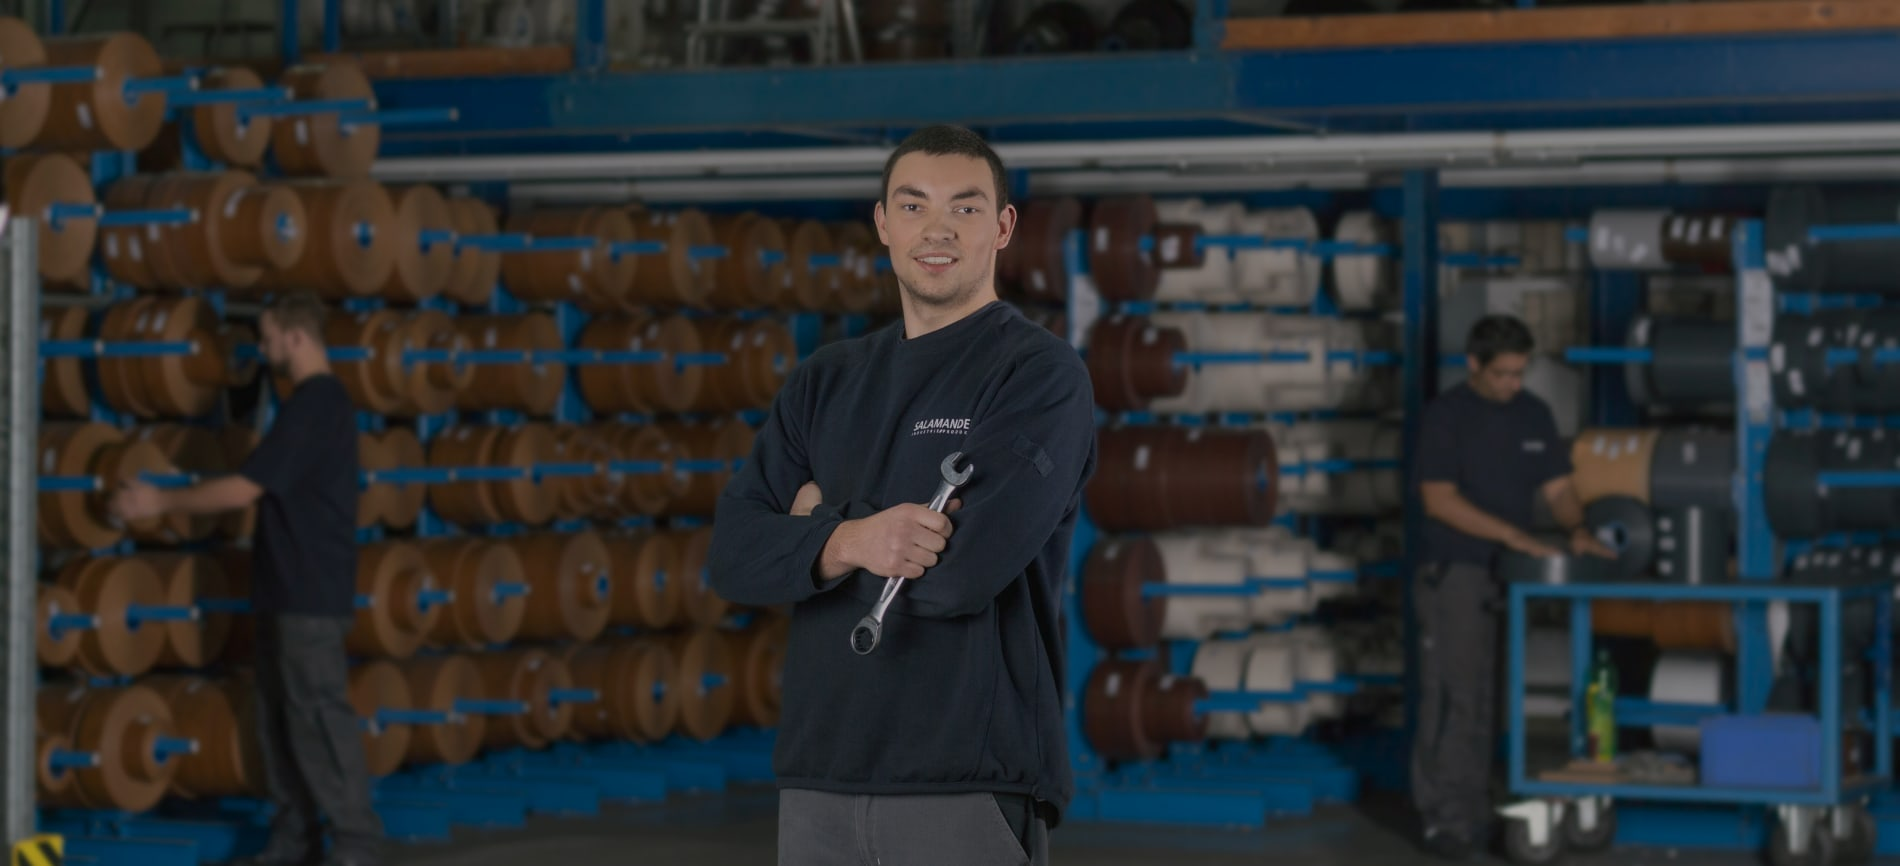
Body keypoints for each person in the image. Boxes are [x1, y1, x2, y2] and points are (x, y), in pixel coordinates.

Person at [708, 124, 1098, 866]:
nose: (938, 229)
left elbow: (960, 575)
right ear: (883, 223)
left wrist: (809, 530)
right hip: (818, 779)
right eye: (914, 206)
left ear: (1004, 227)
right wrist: (854, 538)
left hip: (964, 784)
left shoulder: (1038, 377)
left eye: (967, 207)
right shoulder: (826, 380)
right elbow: (733, 555)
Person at [111, 292, 379, 866]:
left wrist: (160, 499)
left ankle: (356, 845)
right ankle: (294, 839)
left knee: (318, 721)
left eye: (267, 336)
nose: (262, 348)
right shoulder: (306, 405)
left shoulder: (317, 404)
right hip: (285, 589)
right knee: (278, 724)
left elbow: (242, 489)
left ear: (296, 338)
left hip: (309, 592)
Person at [1411, 314, 1614, 860]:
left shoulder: (1534, 414)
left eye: (1520, 372)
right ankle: (1444, 821)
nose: (1513, 384)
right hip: (1456, 571)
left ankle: (1477, 808)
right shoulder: (1446, 417)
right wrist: (1515, 537)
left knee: (1494, 700)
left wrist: (1577, 530)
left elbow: (1558, 486)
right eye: (1502, 373)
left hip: (1509, 577)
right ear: (1473, 365)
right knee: (1456, 697)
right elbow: (1439, 499)